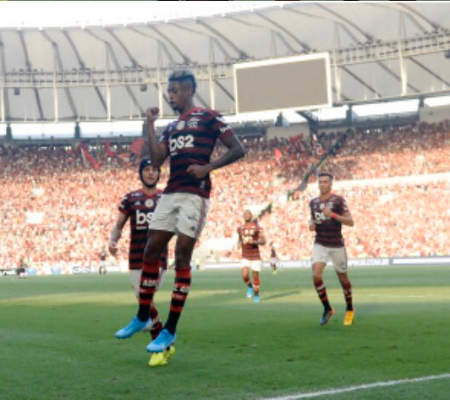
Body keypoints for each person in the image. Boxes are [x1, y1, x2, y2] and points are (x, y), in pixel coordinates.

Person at [115, 69, 245, 360]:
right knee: (151, 250)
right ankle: (142, 316)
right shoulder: (171, 127)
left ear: (189, 91)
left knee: (182, 255)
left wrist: (208, 167)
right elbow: (157, 160)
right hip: (171, 192)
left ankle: (170, 329)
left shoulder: (209, 117)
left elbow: (238, 149)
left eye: (175, 90)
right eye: (169, 91)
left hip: (195, 194)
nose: (170, 95)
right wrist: (149, 125)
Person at [109, 158, 172, 367]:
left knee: (146, 299)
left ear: (159, 174)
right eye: (147, 169)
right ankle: (163, 344)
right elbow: (119, 225)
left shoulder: (166, 198)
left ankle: (159, 347)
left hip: (158, 257)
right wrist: (112, 241)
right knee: (144, 300)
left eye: (154, 169)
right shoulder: (130, 198)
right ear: (141, 173)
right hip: (136, 258)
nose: (151, 173)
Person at [309, 172, 355, 326]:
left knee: (343, 280)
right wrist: (311, 224)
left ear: (331, 184)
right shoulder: (313, 202)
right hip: (320, 243)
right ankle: (327, 308)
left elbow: (350, 222)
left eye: (325, 182)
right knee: (316, 276)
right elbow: (313, 219)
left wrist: (332, 215)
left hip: (336, 245)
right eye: (320, 182)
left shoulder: (338, 200)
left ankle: (349, 308)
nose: (322, 184)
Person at [237, 210, 266, 303]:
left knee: (255, 277)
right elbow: (240, 239)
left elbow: (263, 241)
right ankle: (250, 286)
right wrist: (239, 243)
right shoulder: (240, 228)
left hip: (255, 255)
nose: (246, 215)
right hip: (245, 254)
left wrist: (253, 241)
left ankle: (256, 295)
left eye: (248, 214)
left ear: (251, 216)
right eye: (245, 214)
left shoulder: (257, 228)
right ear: (243, 216)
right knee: (244, 275)